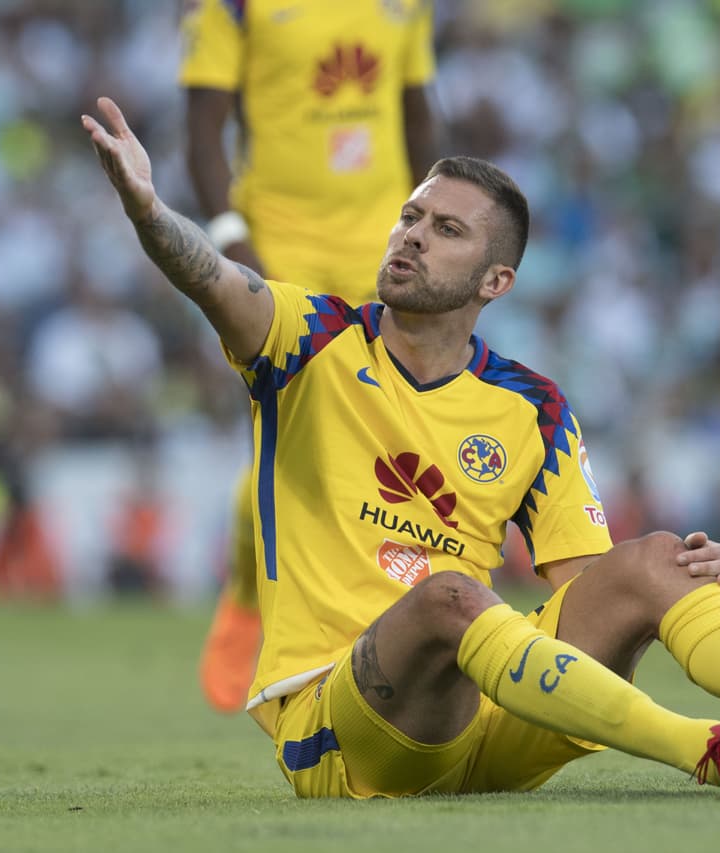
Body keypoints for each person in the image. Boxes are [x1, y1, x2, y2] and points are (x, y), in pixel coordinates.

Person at [81, 96, 720, 796]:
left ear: (495, 280)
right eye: (411, 216)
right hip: (342, 727)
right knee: (448, 598)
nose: (411, 237)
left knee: (662, 557)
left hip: (489, 720)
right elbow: (210, 277)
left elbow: (583, 592)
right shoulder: (307, 339)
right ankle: (704, 749)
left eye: (446, 230)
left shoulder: (532, 408)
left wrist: (672, 585)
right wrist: (150, 209)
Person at [178, 0, 441, 712]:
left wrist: (439, 226)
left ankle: (394, 614)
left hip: (385, 246)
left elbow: (416, 112)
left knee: (397, 434)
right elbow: (204, 128)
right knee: (290, 436)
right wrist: (231, 237)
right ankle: (245, 592)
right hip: (280, 245)